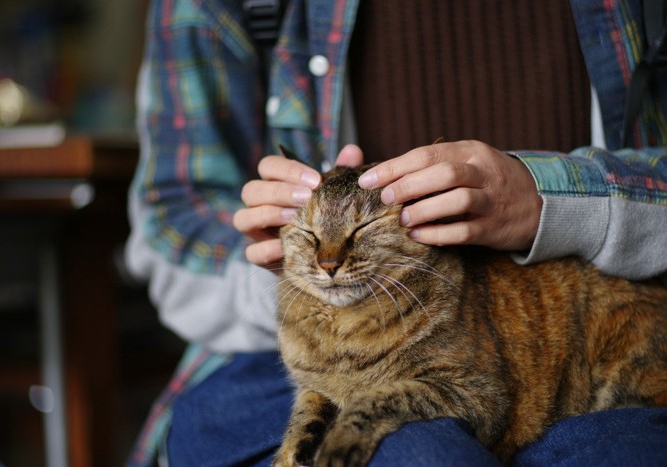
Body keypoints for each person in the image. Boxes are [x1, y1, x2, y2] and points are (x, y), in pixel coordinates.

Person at [125, 0, 667, 465]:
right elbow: (173, 216)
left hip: (593, 325)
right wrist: (272, 270)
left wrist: (565, 202)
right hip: (262, 342)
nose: (333, 257)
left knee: (620, 450)